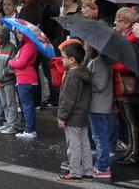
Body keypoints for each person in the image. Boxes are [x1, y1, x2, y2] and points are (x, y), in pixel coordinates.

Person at [57, 43, 93, 182]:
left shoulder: (72, 76)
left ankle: (75, 172)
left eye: (63, 57)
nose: (62, 60)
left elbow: (68, 99)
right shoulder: (84, 72)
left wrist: (62, 116)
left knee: (74, 146)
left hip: (72, 116)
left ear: (71, 59)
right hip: (82, 114)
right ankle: (87, 171)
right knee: (84, 144)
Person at [111, 7, 139, 165]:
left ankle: (135, 152)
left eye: (119, 20)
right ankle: (131, 149)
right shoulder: (124, 38)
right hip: (121, 84)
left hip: (130, 85)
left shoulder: (132, 39)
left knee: (133, 120)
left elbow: (128, 65)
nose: (116, 23)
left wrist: (113, 63)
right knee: (128, 120)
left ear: (128, 23)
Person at [87, 43, 114, 179]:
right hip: (100, 105)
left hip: (98, 106)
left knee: (100, 137)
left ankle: (102, 167)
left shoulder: (99, 62)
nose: (85, 44)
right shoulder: (103, 61)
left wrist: (87, 78)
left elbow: (99, 85)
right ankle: (102, 164)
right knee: (100, 136)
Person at [8, 29, 39, 139]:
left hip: (25, 79)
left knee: (27, 106)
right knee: (26, 105)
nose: (18, 35)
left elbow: (21, 63)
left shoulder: (28, 46)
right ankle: (28, 129)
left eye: (20, 32)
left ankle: (30, 130)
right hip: (24, 79)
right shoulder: (27, 46)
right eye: (17, 32)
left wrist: (10, 62)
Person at [0, 25, 19, 134]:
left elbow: (13, 66)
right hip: (0, 81)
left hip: (8, 81)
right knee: (4, 103)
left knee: (10, 103)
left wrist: (4, 73)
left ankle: (13, 124)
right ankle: (8, 122)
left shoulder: (12, 48)